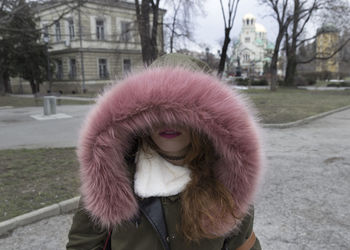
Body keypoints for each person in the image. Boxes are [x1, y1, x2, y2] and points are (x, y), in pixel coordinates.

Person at [66, 54, 264, 250]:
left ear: (207, 121)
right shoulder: (111, 178)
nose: (168, 121)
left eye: (181, 111)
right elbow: (83, 244)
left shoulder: (228, 181)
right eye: (157, 111)